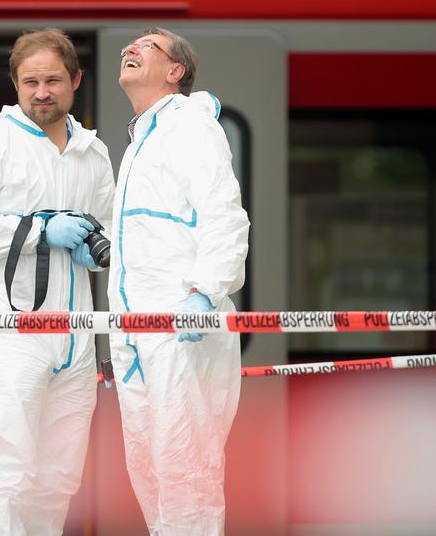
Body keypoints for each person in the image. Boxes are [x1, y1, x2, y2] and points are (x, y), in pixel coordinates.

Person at [0, 28, 115, 535]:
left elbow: (109, 230)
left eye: (53, 81)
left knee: (58, 481)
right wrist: (43, 229)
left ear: (76, 80)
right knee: (5, 475)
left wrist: (93, 249)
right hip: (10, 334)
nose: (42, 92)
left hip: (76, 340)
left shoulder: (93, 153)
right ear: (15, 83)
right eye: (31, 82)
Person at [107, 27, 250, 535]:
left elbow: (223, 213)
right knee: (150, 469)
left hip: (178, 325)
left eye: (147, 46)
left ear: (175, 71)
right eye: (130, 45)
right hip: (136, 330)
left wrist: (205, 292)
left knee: (187, 470)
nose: (130, 49)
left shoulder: (190, 125)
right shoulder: (140, 141)